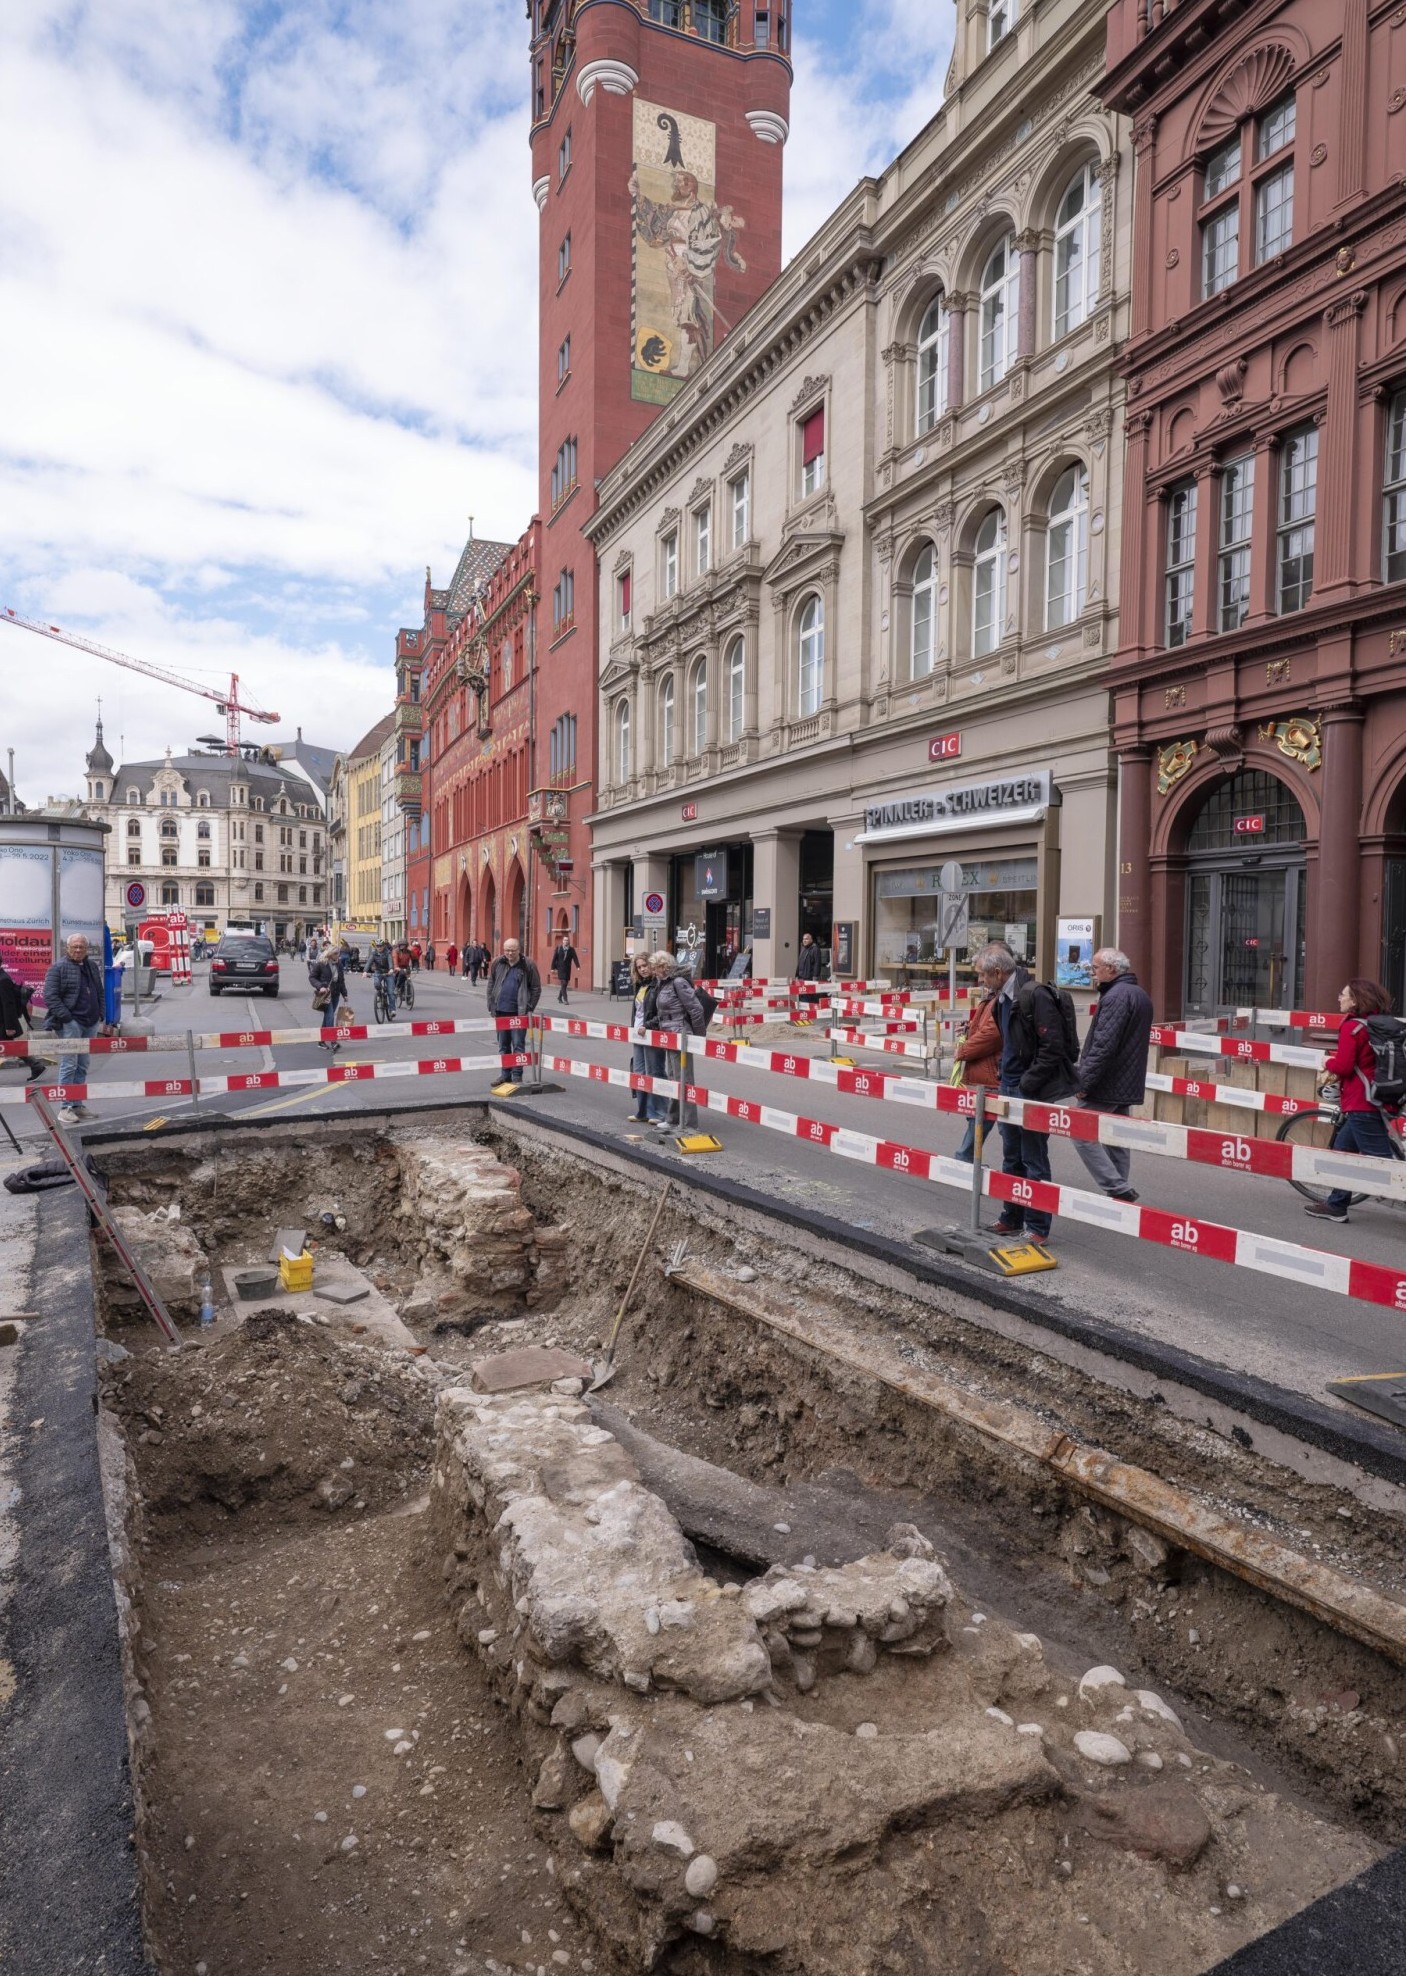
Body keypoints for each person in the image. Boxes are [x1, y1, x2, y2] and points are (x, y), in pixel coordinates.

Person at [976, 941, 1077, 1247]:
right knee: (1012, 1156)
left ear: (997, 972)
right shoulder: (1002, 997)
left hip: (1028, 1090)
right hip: (1009, 1085)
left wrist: (1026, 1084)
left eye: (982, 975)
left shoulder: (1033, 995)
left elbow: (1053, 1048)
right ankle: (1011, 1216)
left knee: (1034, 1158)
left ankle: (1037, 1226)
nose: (980, 981)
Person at [1304, 978, 1399, 1224]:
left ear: (1355, 1000)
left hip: (1361, 1102)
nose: (1339, 997)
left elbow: (1345, 1066)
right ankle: (1337, 1206)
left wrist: (1327, 1062)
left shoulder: (1351, 1028)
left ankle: (1338, 1205)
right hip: (1373, 1098)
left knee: (1383, 1164)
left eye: (1343, 994)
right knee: (1343, 1151)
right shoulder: (1374, 1025)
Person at [1072, 948, 1155, 1203]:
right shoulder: (1138, 994)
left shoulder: (1116, 997)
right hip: (1126, 1081)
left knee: (1080, 1131)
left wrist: (1084, 1082)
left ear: (1111, 969)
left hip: (1107, 1081)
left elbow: (1103, 1046)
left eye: (1096, 968)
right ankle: (1120, 1191)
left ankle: (1116, 1186)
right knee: (1116, 1137)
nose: (1093, 973)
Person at [41, 933, 114, 1126]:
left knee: (82, 1064)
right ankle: (65, 1108)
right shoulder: (58, 968)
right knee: (69, 1064)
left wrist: (100, 1014)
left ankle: (77, 1104)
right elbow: (50, 996)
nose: (78, 950)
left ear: (86, 949)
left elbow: (99, 991)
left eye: (82, 947)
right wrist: (67, 1018)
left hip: (90, 1022)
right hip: (71, 1023)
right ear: (67, 948)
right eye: (75, 947)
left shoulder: (90, 966)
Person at [652, 952, 708, 1131]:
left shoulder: (677, 982)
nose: (654, 971)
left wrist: (699, 1038)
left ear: (664, 966)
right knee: (674, 1077)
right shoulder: (665, 982)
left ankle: (689, 1123)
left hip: (680, 1034)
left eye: (656, 968)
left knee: (684, 1078)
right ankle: (673, 1118)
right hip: (670, 1035)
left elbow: (696, 1009)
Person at [952, 984, 1001, 1163]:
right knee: (979, 1116)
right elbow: (985, 1029)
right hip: (989, 1071)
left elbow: (992, 1034)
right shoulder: (993, 996)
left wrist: (964, 1051)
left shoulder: (1002, 997)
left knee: (984, 1117)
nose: (981, 980)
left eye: (983, 974)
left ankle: (964, 1157)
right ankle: (964, 1157)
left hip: (994, 1072)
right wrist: (969, 1029)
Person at [486, 937, 541, 1086]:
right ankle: (505, 1074)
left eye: (513, 950)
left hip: (518, 1013)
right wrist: (491, 1004)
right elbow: (491, 983)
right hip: (500, 1012)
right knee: (503, 1046)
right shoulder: (498, 962)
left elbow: (536, 988)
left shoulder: (527, 965)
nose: (509, 953)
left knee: (518, 1045)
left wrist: (529, 1008)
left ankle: (517, 1075)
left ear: (519, 950)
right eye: (507, 950)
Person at [0, 959, 46, 1081]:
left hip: (4, 1022)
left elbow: (8, 1004)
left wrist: (10, 1026)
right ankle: (36, 1066)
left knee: (8, 1046)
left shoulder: (3, 979)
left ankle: (36, 1066)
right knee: (10, 1047)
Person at [309, 945, 349, 1053]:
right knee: (330, 1016)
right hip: (325, 995)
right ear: (330, 954)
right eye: (336, 953)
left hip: (335, 994)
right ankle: (333, 1041)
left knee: (327, 1017)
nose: (338, 955)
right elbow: (312, 977)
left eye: (338, 953)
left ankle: (321, 1041)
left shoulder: (339, 964)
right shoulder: (322, 964)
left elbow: (341, 980)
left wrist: (344, 994)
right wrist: (320, 986)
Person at [369, 938, 397, 1016]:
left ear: (384, 946)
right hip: (378, 972)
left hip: (388, 972)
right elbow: (369, 962)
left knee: (391, 992)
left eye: (380, 946)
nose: (379, 947)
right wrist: (365, 971)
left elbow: (390, 961)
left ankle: (392, 1010)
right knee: (377, 984)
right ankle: (380, 995)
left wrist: (391, 969)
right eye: (378, 946)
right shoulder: (374, 953)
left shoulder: (388, 953)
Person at [551, 934, 580, 1005]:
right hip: (560, 969)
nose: (566, 941)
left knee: (565, 984)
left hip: (567, 969)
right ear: (562, 941)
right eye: (564, 940)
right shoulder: (558, 948)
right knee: (563, 983)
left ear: (568, 941)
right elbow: (554, 958)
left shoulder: (571, 949)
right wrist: (552, 968)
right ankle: (565, 1000)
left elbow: (575, 958)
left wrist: (578, 966)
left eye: (567, 940)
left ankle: (559, 997)